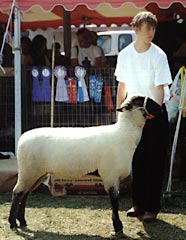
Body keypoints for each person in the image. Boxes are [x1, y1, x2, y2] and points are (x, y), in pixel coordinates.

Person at [115, 12, 172, 222]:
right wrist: (118, 113)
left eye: (153, 29)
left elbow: (160, 89)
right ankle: (137, 204)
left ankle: (152, 208)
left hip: (154, 115)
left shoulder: (159, 55)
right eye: (147, 28)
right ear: (135, 29)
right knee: (136, 160)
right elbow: (122, 86)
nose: (151, 33)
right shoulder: (125, 55)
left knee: (154, 161)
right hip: (132, 116)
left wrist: (152, 112)